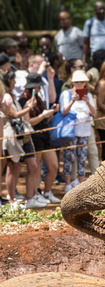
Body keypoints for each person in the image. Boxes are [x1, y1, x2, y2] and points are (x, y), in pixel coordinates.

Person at [1, 71, 45, 209]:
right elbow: (12, 114)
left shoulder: (12, 95)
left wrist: (26, 107)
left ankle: (29, 198)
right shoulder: (5, 97)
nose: (15, 83)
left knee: (25, 166)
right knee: (12, 167)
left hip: (20, 136)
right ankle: (12, 199)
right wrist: (29, 109)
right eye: (13, 80)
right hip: (11, 135)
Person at [18, 73, 60, 204]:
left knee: (54, 166)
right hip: (34, 136)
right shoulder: (24, 100)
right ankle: (35, 193)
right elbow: (28, 122)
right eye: (38, 86)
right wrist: (43, 115)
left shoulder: (38, 98)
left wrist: (50, 113)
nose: (40, 88)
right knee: (35, 168)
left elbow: (43, 117)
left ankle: (47, 191)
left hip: (45, 134)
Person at [59, 70, 96, 193]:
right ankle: (68, 184)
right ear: (73, 82)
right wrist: (72, 100)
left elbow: (93, 112)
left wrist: (87, 102)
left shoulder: (89, 96)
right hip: (71, 131)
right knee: (69, 157)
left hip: (85, 130)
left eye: (82, 82)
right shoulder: (66, 94)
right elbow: (63, 111)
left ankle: (81, 183)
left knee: (82, 157)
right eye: (77, 82)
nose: (79, 84)